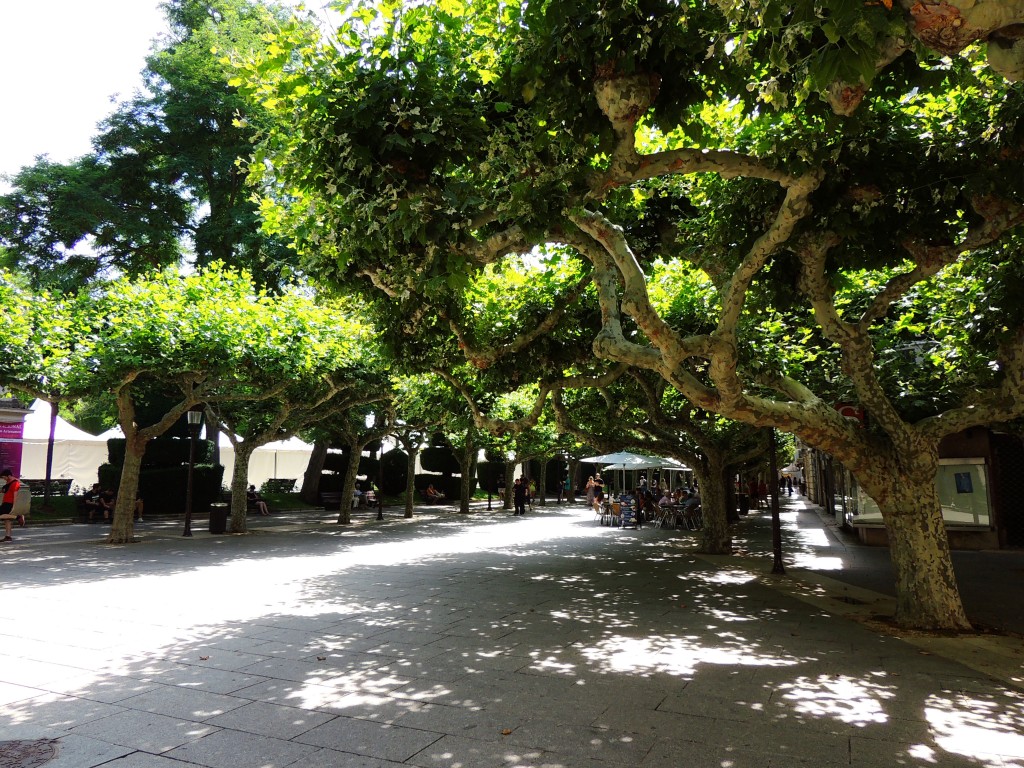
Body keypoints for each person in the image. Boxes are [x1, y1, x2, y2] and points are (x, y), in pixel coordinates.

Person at [0, 469, 25, 542]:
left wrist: (13, 506)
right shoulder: (8, 482)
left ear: (9, 476)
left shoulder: (15, 483)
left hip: (9, 503)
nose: (4, 479)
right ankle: (8, 536)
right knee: (7, 519)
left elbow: (15, 495)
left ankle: (18, 517)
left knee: (2, 516)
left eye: (4, 477)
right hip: (5, 502)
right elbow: (4, 491)